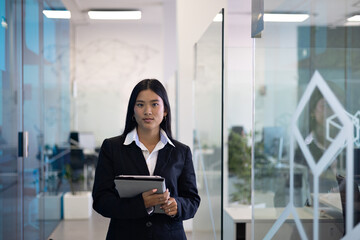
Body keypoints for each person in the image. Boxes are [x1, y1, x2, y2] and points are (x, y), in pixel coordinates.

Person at [92, 79, 200, 240]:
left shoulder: (181, 152)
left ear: (165, 111)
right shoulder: (112, 148)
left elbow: (192, 200)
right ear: (132, 111)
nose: (148, 111)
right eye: (141, 105)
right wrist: (140, 205)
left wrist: (177, 206)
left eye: (155, 104)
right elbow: (101, 201)